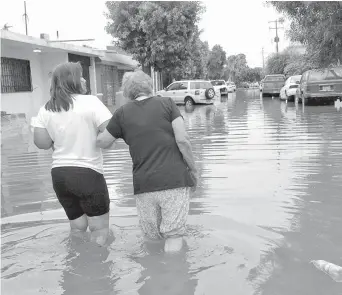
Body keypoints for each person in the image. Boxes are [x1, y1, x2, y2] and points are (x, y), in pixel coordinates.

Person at [96, 70, 198, 252]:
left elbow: (103, 142)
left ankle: (153, 275)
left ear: (127, 93)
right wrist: (193, 169)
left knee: (151, 238)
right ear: (150, 86)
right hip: (174, 180)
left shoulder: (122, 114)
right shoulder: (167, 104)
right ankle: (172, 275)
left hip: (144, 186)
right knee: (173, 235)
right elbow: (182, 140)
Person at [32, 62, 112, 246]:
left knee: (77, 228)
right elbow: (110, 132)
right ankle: (95, 269)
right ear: (73, 80)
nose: (84, 79)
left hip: (60, 176)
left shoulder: (46, 108)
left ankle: (75, 260)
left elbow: (41, 143)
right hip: (88, 174)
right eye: (81, 75)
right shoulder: (90, 102)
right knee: (99, 229)